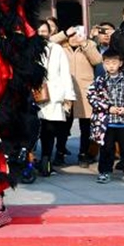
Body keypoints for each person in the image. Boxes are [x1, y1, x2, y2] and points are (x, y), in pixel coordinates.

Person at [87, 50, 124, 185]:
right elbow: (92, 96)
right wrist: (107, 108)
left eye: (114, 63)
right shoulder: (99, 81)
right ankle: (104, 172)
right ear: (103, 64)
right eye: (107, 63)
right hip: (106, 122)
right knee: (106, 149)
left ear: (120, 63)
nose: (111, 66)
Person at [35, 20, 75, 177]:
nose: (41, 34)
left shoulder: (57, 49)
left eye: (44, 31)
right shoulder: (27, 48)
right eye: (38, 31)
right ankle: (29, 161)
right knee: (32, 130)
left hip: (53, 95)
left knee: (49, 130)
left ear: (50, 32)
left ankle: (46, 162)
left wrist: (69, 96)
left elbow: (65, 73)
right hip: (32, 95)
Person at [59, 25, 102, 166]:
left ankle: (84, 154)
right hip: (66, 91)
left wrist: (84, 43)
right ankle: (60, 152)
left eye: (78, 34)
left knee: (86, 126)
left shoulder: (89, 45)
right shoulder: (61, 47)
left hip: (85, 91)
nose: (74, 38)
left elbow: (97, 60)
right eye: (72, 35)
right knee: (64, 125)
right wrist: (64, 33)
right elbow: (49, 42)